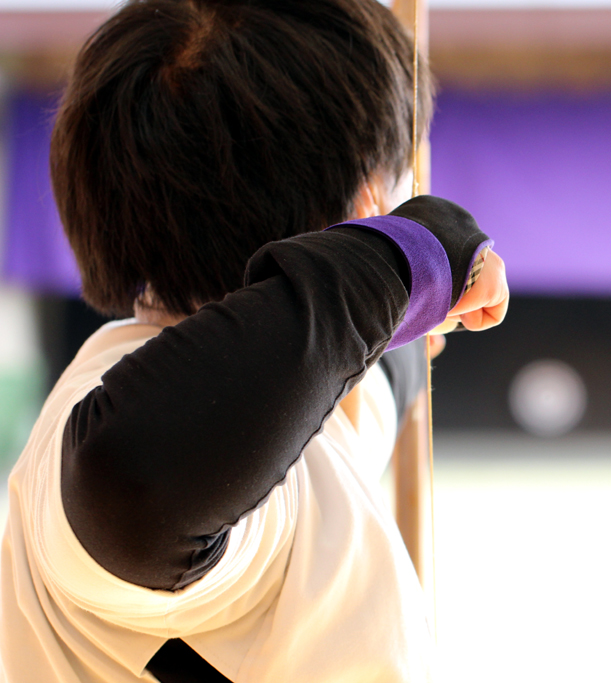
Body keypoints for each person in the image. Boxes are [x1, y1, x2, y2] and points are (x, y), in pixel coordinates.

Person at [0, 1, 509, 681]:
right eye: (390, 197)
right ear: (365, 209)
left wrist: (400, 329)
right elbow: (133, 483)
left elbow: (331, 385)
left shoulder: (276, 418)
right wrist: (412, 256)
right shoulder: (115, 418)